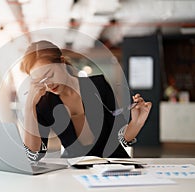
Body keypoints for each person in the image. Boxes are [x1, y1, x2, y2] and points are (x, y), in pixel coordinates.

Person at [19, 40, 152, 161]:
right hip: (76, 171)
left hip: (115, 165)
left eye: (50, 75)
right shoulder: (44, 105)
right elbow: (34, 155)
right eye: (39, 81)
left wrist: (137, 122)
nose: (48, 85)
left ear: (62, 62)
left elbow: (120, 139)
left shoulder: (98, 85)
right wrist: (29, 107)